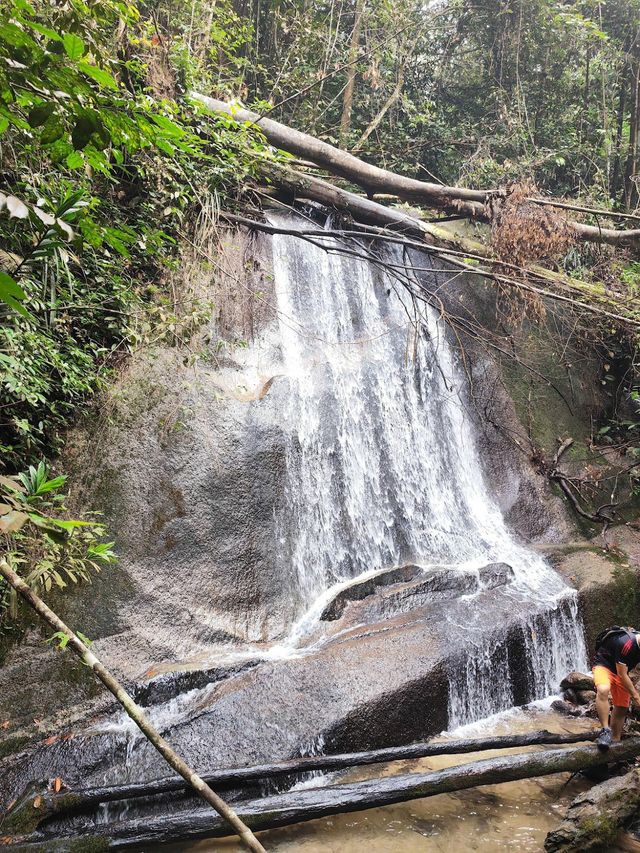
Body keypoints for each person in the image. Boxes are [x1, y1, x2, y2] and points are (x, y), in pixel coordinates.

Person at [593, 626, 640, 749]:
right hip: (604, 665)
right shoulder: (627, 644)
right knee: (603, 689)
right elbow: (622, 675)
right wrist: (636, 696)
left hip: (621, 670)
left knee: (622, 707)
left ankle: (615, 741)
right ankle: (605, 730)